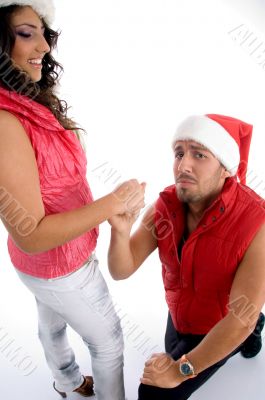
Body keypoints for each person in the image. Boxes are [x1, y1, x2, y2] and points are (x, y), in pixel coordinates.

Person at [0, 1, 145, 399]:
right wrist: (112, 203)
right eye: (27, 33)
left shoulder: (24, 101)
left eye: (44, 34)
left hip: (40, 269)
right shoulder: (4, 122)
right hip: (61, 267)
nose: (45, 47)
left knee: (51, 323)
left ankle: (66, 382)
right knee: (110, 343)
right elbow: (31, 234)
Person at [108, 114, 265, 399]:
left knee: (154, 393)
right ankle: (253, 328)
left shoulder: (257, 222)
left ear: (226, 168)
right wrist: (120, 231)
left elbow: (240, 316)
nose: (183, 165)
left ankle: (252, 332)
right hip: (182, 315)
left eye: (200, 154)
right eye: (179, 153)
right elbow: (122, 269)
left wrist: (181, 369)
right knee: (172, 352)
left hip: (220, 322)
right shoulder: (164, 206)